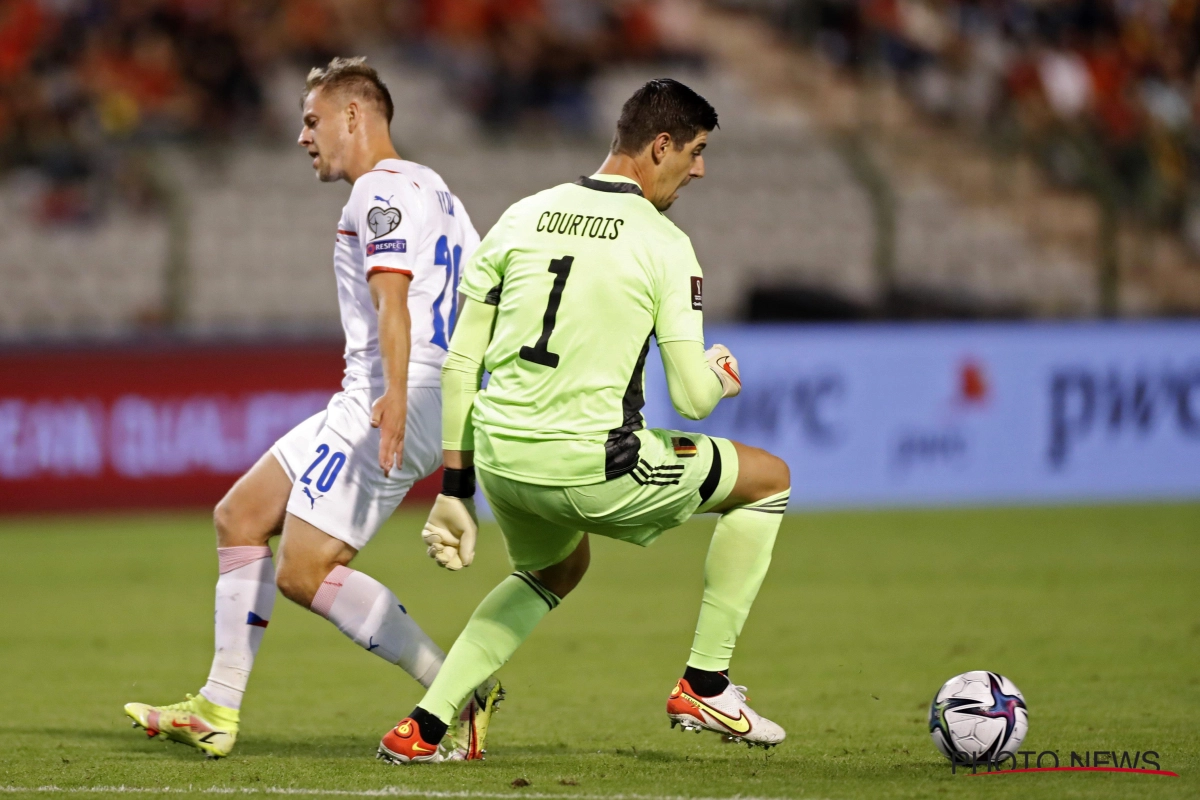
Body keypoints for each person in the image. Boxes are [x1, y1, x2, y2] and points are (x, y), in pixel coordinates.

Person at [376, 78, 791, 764]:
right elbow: (689, 398)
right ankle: (705, 682)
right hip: (593, 463)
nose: (701, 169)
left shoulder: (523, 213)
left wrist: (455, 488)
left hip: (504, 462)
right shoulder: (664, 243)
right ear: (662, 146)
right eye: (696, 151)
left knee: (555, 570)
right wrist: (721, 372)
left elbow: (459, 364)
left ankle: (424, 725)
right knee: (768, 480)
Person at [123, 57, 501, 761]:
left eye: (312, 119)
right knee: (240, 515)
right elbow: (482, 301)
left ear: (354, 115)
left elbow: (393, 300)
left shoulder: (377, 195)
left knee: (304, 569)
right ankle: (216, 706)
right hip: (399, 394)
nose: (303, 136)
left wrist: (393, 397)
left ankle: (455, 692)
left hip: (390, 395)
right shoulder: (437, 190)